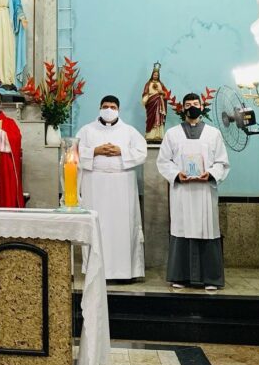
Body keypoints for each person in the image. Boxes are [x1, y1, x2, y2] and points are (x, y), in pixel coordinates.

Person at [157, 92, 229, 290]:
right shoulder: (172, 134)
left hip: (205, 191)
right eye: (188, 104)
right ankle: (180, 277)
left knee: (207, 229)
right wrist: (177, 175)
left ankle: (211, 278)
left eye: (195, 103)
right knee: (182, 228)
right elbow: (163, 161)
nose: (192, 107)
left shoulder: (213, 134)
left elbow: (222, 162)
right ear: (183, 108)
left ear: (201, 106)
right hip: (183, 192)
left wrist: (211, 174)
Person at [77, 95, 147, 282]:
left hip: (122, 186)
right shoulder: (86, 130)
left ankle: (125, 272)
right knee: (97, 226)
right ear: (99, 108)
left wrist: (121, 151)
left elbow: (142, 153)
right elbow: (74, 153)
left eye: (113, 107)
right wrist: (95, 151)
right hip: (94, 184)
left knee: (123, 227)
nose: (109, 109)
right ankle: (95, 270)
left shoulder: (129, 131)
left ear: (118, 109)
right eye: (105, 106)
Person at [142, 63, 168, 143]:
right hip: (151, 103)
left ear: (158, 76)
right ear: (152, 75)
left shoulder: (161, 84)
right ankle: (150, 135)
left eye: (157, 75)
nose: (155, 76)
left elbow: (166, 94)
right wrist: (145, 99)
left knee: (159, 118)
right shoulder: (148, 84)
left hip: (159, 103)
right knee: (151, 118)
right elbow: (145, 93)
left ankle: (159, 135)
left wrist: (162, 92)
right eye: (154, 75)